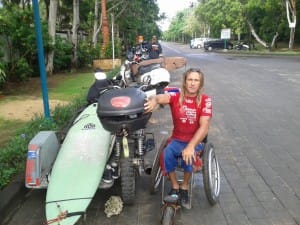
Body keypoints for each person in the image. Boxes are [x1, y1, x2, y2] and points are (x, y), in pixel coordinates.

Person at [144, 68, 212, 205]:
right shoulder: (176, 96)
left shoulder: (205, 100)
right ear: (185, 82)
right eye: (190, 80)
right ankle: (175, 186)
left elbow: (204, 127)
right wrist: (155, 99)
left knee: (189, 156)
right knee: (166, 154)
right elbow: (162, 97)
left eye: (196, 80)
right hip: (177, 139)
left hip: (195, 140)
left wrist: (191, 146)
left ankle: (185, 186)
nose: (193, 83)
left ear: (200, 83)